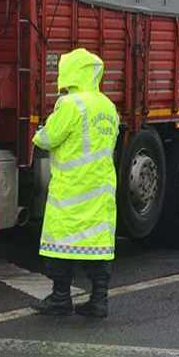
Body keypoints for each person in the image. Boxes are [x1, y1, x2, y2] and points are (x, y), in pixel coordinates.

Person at [31, 48, 120, 318]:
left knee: (61, 244)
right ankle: (99, 300)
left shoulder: (70, 104)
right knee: (97, 246)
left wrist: (38, 135)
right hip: (101, 188)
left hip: (71, 188)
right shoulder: (107, 105)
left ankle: (60, 298)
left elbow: (51, 137)